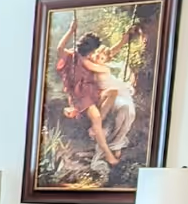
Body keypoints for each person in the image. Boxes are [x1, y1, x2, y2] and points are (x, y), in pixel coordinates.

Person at [55, 12, 139, 166]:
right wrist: (70, 30)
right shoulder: (73, 57)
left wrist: (123, 40)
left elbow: (108, 53)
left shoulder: (90, 59)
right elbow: (60, 48)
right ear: (88, 50)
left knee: (112, 92)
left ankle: (100, 125)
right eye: (93, 51)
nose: (94, 54)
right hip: (81, 97)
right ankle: (108, 154)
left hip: (93, 94)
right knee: (95, 118)